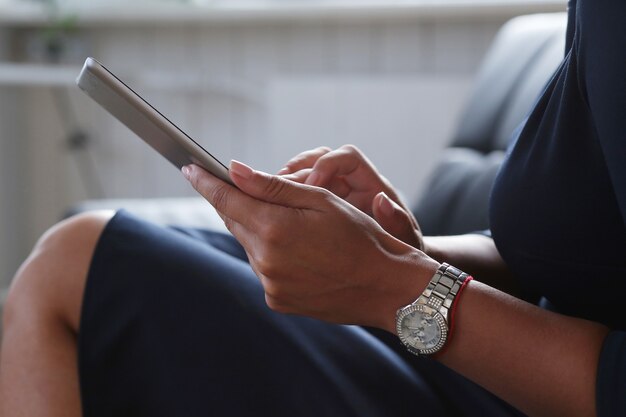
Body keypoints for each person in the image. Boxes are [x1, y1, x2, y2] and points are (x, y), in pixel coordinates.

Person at [1, 0, 624, 415]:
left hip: (534, 389)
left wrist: (394, 287)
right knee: (73, 253)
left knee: (79, 262)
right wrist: (403, 253)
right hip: (487, 350)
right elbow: (575, 264)